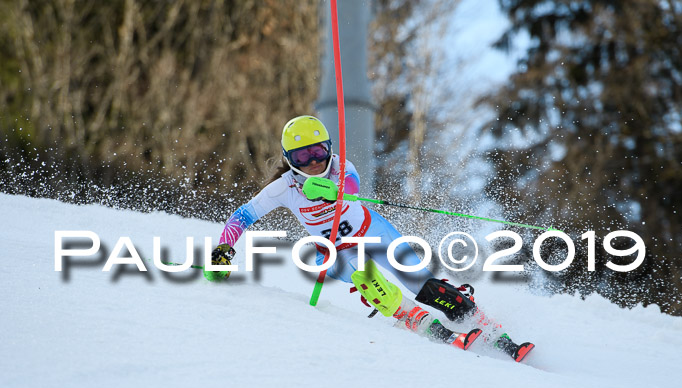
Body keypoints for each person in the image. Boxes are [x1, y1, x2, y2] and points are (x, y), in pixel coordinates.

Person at [209, 115, 533, 362]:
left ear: (329, 149)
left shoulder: (340, 166)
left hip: (374, 233)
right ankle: (411, 317)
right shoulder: (284, 188)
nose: (313, 163)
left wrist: (333, 194)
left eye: (318, 152)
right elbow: (244, 214)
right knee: (366, 276)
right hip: (338, 252)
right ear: (289, 160)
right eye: (301, 157)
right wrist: (224, 247)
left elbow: (350, 188)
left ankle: (487, 327)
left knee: (425, 286)